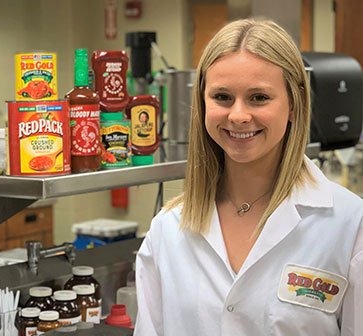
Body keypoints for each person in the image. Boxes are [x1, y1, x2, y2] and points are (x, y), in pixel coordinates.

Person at [134, 18, 363, 336]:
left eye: (259, 98)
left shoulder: (350, 225)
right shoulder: (168, 230)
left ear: (294, 103)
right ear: (202, 103)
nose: (238, 115)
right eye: (222, 97)